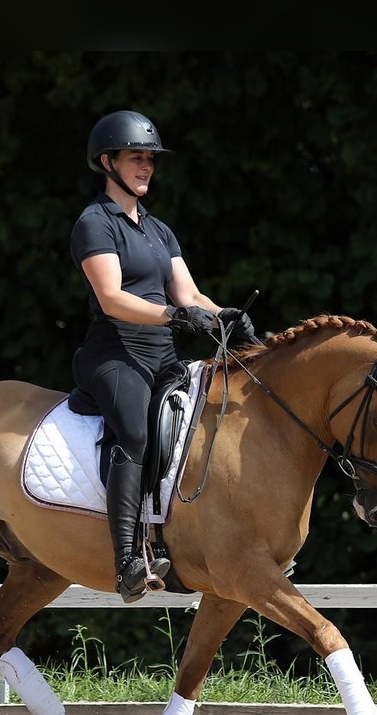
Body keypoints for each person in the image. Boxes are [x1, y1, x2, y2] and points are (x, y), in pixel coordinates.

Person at [69, 109, 257, 603]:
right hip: (114, 353)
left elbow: (189, 294)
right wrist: (174, 317)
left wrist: (223, 317)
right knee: (133, 430)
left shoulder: (158, 230)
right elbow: (112, 298)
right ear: (107, 161)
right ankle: (128, 559)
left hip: (162, 357)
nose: (146, 167)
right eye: (136, 157)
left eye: (150, 159)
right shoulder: (95, 224)